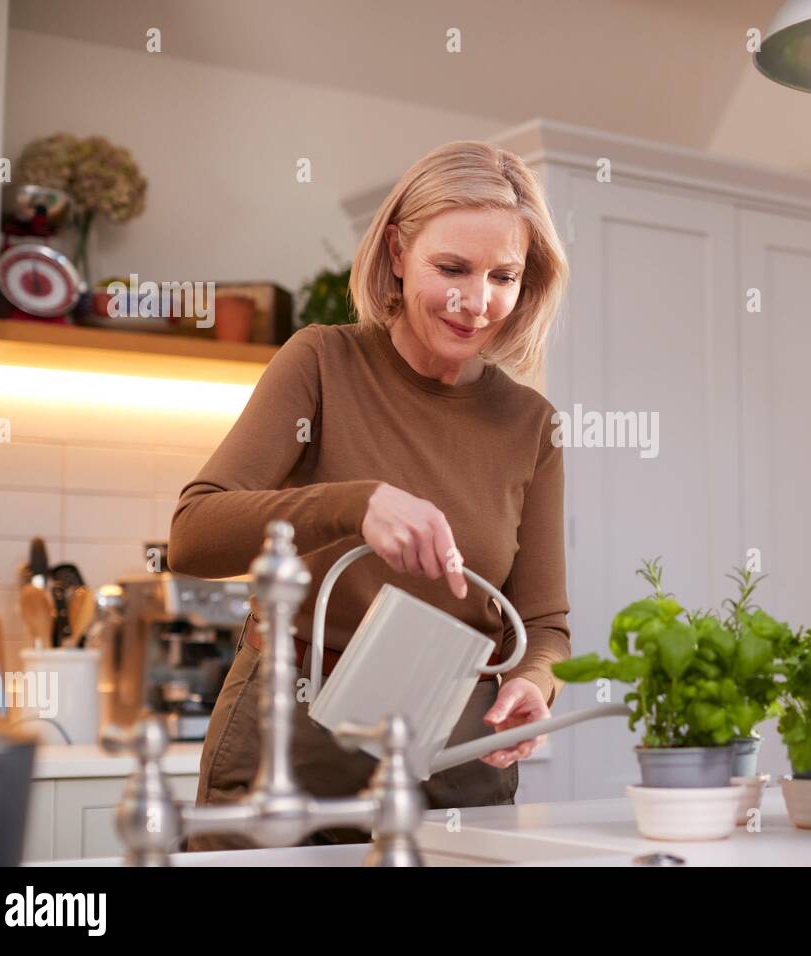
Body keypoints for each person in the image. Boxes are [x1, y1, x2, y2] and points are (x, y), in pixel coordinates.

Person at [168, 140, 572, 851]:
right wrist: (356, 504)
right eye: (452, 268)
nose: (476, 301)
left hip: (454, 750)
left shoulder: (531, 425)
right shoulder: (322, 362)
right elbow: (193, 535)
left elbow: (542, 623)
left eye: (503, 276)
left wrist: (534, 684)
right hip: (293, 731)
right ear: (397, 252)